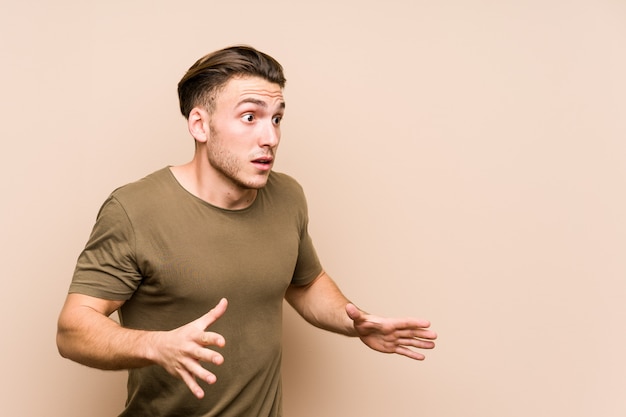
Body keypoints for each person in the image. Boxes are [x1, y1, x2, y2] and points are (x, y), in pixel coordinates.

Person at [56, 45, 437, 417]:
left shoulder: (288, 196)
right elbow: (72, 329)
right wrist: (156, 346)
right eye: (250, 117)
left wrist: (354, 321)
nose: (270, 137)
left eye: (276, 118)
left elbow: (303, 282)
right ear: (200, 125)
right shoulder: (134, 210)